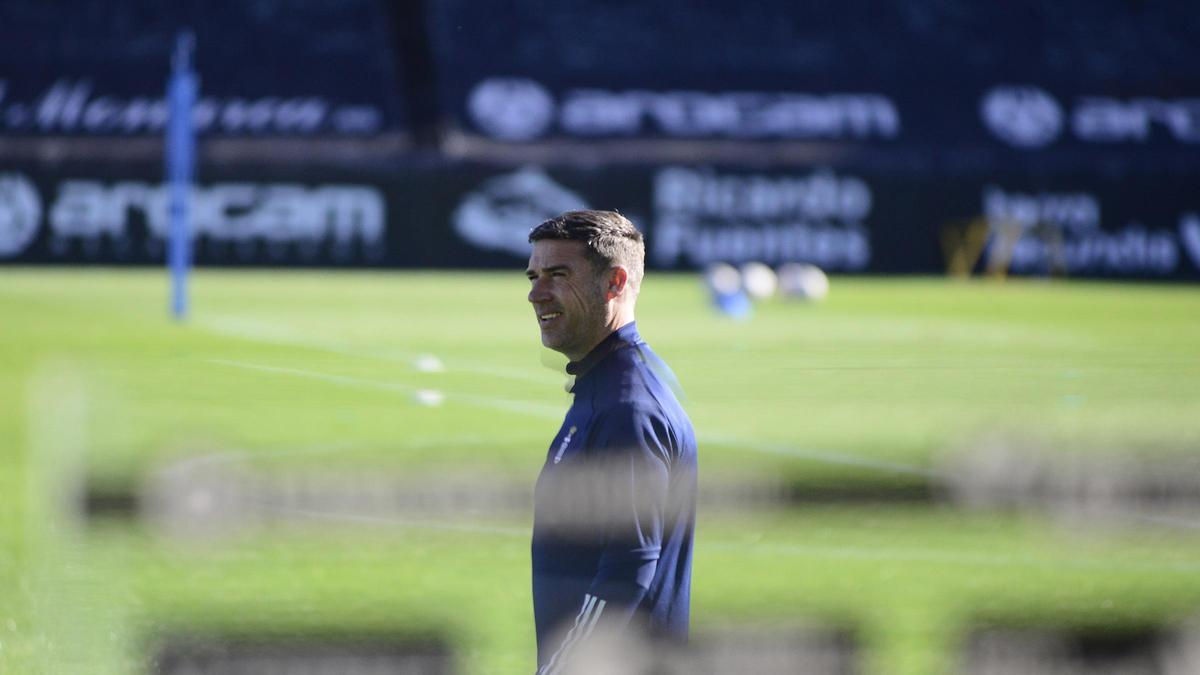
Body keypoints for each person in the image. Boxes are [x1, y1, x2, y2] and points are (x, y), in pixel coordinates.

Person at [524, 210, 697, 674]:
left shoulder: (627, 408)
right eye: (534, 275)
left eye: (558, 275)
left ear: (615, 282)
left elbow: (630, 565)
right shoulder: (607, 384)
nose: (536, 293)